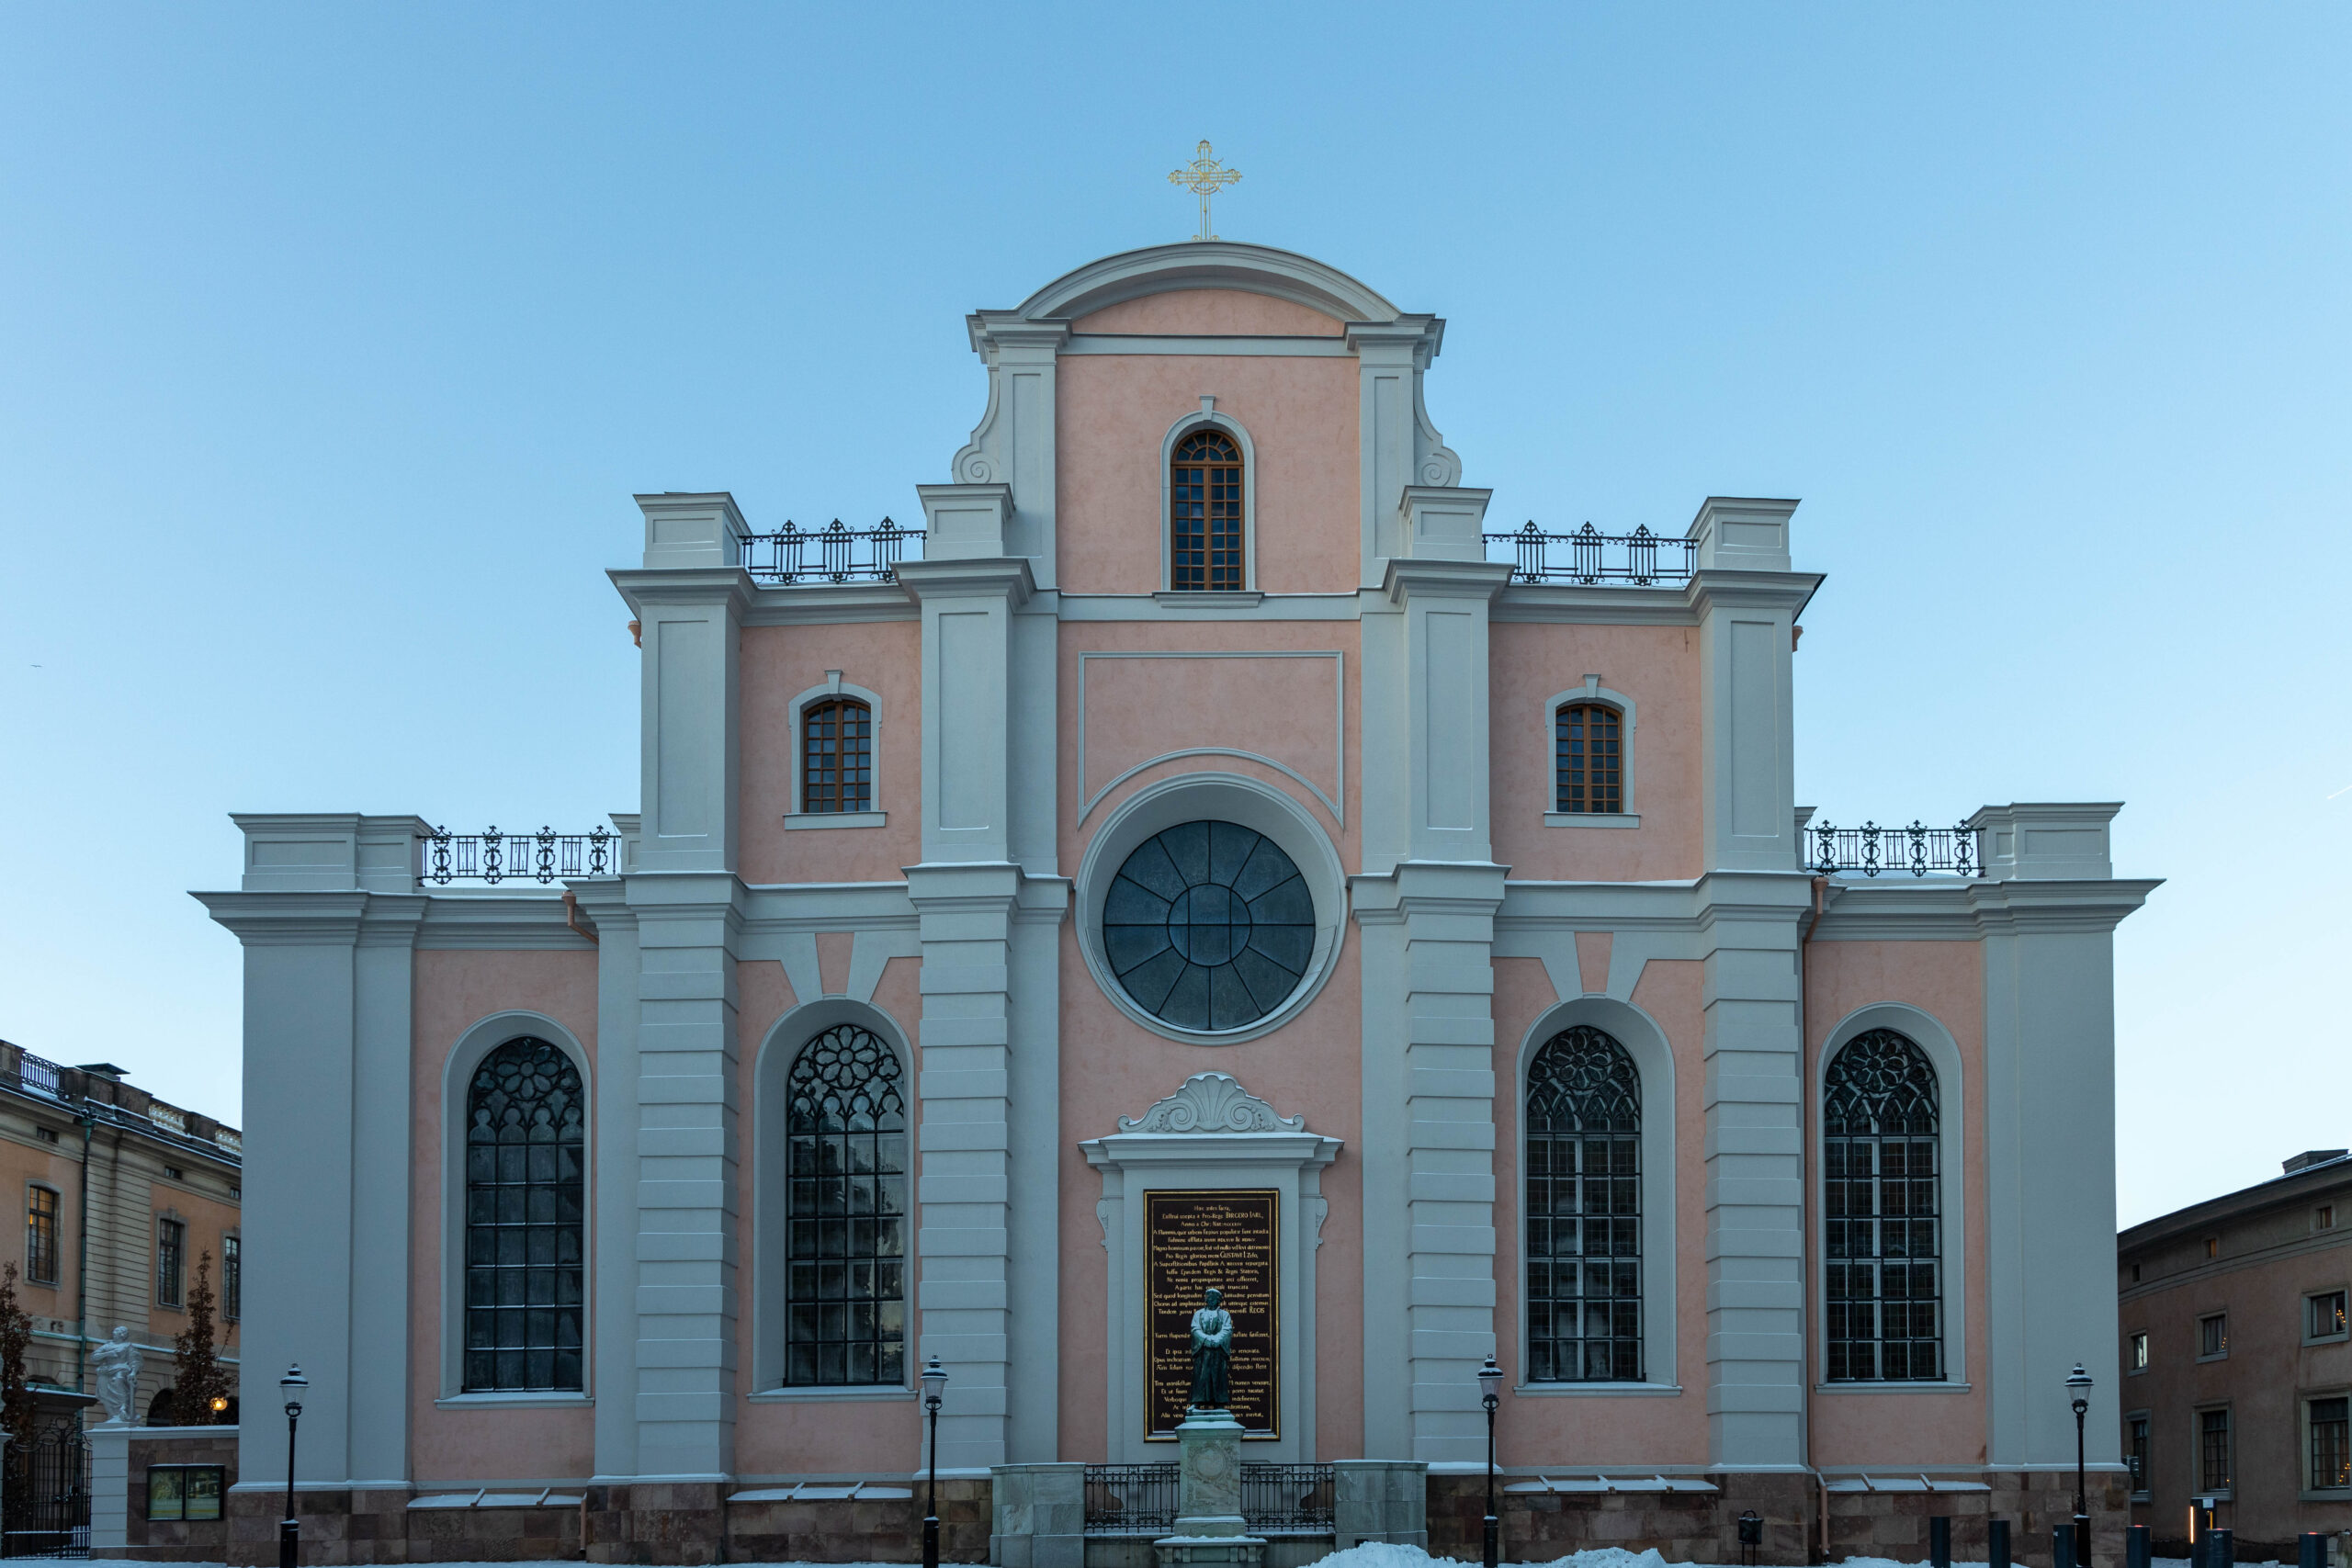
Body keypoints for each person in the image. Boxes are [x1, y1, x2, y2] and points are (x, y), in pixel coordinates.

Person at [1188, 1287, 1233, 1410]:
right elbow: (1195, 1329)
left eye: (1214, 1298)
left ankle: (1219, 1403)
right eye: (1209, 1298)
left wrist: (1217, 1340)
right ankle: (1197, 1402)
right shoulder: (1198, 1313)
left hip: (1218, 1352)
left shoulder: (1225, 1315)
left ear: (1219, 1300)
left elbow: (1227, 1329)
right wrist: (1206, 1339)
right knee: (1201, 1376)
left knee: (1218, 1377)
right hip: (1203, 1351)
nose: (1211, 1300)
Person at [92, 1325, 141, 1426]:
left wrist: (133, 1372)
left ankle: (122, 1410)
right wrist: (107, 1354)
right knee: (103, 1390)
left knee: (118, 1380)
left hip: (121, 1368)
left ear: (122, 1335)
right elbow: (94, 1357)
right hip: (106, 1370)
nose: (113, 1334)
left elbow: (135, 1361)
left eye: (116, 1332)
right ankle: (113, 1415)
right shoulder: (107, 1345)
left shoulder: (128, 1346)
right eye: (114, 1332)